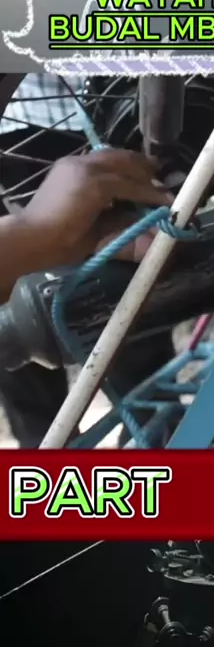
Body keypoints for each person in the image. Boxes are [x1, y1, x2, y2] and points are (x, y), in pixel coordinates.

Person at [0, 73, 176, 447]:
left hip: (108, 107)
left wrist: (33, 234)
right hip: (38, 121)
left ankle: (156, 439)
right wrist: (34, 232)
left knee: (131, 304)